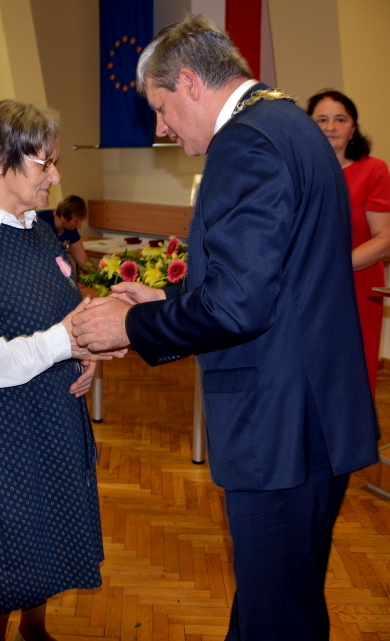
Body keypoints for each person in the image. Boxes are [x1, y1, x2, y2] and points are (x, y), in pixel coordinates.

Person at [72, 15, 378, 641]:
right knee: (283, 604)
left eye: (160, 108)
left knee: (276, 618)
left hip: (278, 428)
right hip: (315, 415)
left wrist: (134, 323)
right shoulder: (290, 123)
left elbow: (240, 307)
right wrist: (168, 296)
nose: (161, 128)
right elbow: (273, 279)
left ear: (188, 81)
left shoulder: (244, 144)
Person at [0, 99, 123, 641]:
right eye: (44, 163)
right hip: (1, 434)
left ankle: (34, 631)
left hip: (51, 420)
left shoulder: (35, 229)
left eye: (55, 162)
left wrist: (83, 353)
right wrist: (60, 342)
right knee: (3, 558)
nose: (55, 176)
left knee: (47, 540)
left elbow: (59, 312)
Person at [307, 90, 390, 397]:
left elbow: (385, 239)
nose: (331, 127)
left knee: (353, 377)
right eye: (322, 120)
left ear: (353, 128)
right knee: (310, 375)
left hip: (357, 286)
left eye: (340, 119)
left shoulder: (373, 170)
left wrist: (334, 266)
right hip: (307, 288)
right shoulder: (300, 173)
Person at [37, 195, 90, 273]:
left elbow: (84, 261)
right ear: (63, 217)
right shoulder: (39, 221)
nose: (79, 225)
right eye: (76, 221)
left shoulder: (70, 229)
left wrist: (100, 277)